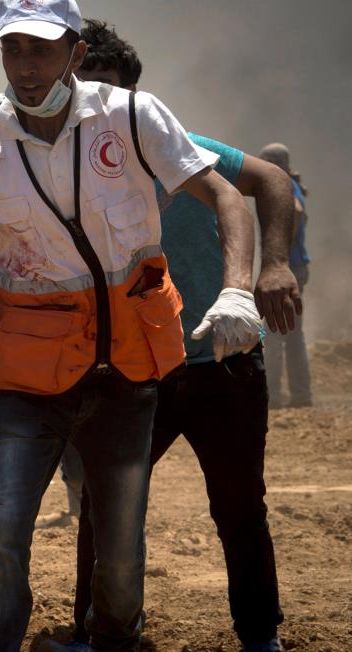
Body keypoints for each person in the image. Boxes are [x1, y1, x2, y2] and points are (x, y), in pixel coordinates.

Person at [0, 1, 266, 649]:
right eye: (13, 49)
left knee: (122, 555)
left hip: (127, 374)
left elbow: (228, 195)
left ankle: (113, 638)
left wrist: (239, 291)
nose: (25, 66)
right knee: (1, 534)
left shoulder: (132, 118)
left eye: (41, 49)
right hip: (27, 376)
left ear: (75, 54)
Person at [39, 19, 299, 652]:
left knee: (239, 507)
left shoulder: (179, 149)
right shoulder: (60, 168)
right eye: (84, 87)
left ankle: (260, 638)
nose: (97, 103)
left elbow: (269, 180)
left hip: (221, 356)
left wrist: (273, 264)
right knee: (106, 507)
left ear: (135, 98)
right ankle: (98, 633)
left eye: (110, 88)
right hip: (129, 368)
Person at [260, 143, 312, 409]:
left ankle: (273, 397)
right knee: (293, 334)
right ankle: (301, 396)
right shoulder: (293, 184)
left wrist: (277, 257)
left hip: (289, 270)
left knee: (273, 333)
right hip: (298, 268)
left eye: (265, 159)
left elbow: (297, 213)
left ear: (276, 162)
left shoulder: (283, 186)